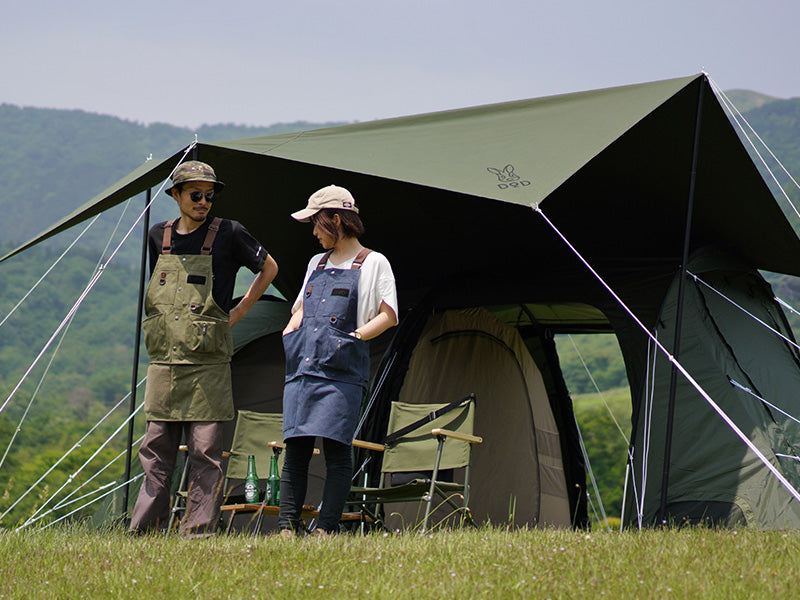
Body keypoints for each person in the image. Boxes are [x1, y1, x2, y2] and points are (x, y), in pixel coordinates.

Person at [129, 160, 278, 537]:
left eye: (209, 195)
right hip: (164, 364)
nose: (203, 201)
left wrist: (241, 309)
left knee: (206, 452)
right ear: (176, 196)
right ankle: (144, 531)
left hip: (208, 364)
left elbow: (270, 267)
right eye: (195, 194)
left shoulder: (229, 233)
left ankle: (198, 532)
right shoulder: (157, 235)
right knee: (155, 451)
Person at [279, 184, 398, 537]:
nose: (314, 232)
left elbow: (388, 314)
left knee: (336, 451)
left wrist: (355, 338)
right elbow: (299, 307)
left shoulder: (374, 262)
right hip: (302, 366)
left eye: (317, 223)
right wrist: (289, 333)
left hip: (343, 371)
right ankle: (287, 528)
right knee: (295, 450)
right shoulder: (315, 263)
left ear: (336, 220)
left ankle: (326, 530)